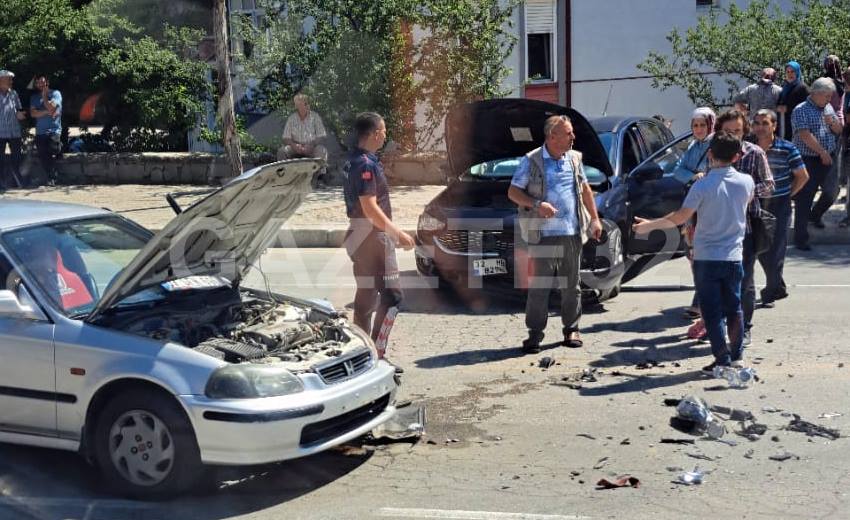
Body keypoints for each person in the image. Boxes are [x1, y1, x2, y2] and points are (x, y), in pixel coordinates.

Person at [633, 132, 754, 373]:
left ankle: (721, 360)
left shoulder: (702, 185)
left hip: (707, 257)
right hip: (733, 256)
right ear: (736, 156)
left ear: (710, 155)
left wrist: (648, 225)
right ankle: (737, 356)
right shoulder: (746, 182)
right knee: (734, 307)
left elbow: (680, 217)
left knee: (711, 312)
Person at [507, 115, 603, 354]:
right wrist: (537, 205)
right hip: (542, 235)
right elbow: (513, 192)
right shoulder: (531, 161)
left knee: (572, 286)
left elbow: (584, 188)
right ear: (552, 137)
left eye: (571, 133)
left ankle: (571, 329)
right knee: (540, 287)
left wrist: (595, 219)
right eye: (568, 133)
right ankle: (535, 334)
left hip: (571, 232)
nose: (573, 137)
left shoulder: (574, 158)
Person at [342, 112, 414, 363]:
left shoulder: (353, 160)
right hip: (373, 239)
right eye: (383, 130)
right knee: (393, 298)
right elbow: (370, 207)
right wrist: (398, 234)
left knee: (366, 295)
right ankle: (377, 355)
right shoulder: (366, 165)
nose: (385, 134)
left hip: (357, 235)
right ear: (374, 134)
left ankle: (360, 355)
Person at [715, 109, 774, 347]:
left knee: (745, 281)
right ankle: (722, 325)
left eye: (737, 131)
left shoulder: (754, 153)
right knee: (719, 282)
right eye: (728, 131)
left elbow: (769, 185)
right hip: (719, 228)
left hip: (747, 227)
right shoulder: (713, 153)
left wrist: (747, 193)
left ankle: (744, 328)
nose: (733, 136)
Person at [751, 109, 809, 307]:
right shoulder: (747, 148)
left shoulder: (787, 148)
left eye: (764, 123)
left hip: (780, 204)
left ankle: (770, 293)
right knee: (760, 248)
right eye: (756, 123)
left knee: (776, 249)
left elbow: (803, 176)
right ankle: (779, 286)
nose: (760, 127)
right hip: (756, 204)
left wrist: (788, 194)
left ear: (774, 125)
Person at [676, 107, 716, 327]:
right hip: (693, 208)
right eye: (695, 125)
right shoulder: (693, 146)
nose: (699, 129)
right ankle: (700, 298)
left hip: (710, 207)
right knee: (692, 252)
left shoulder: (716, 144)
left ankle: (701, 302)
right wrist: (693, 175)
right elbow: (678, 171)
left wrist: (704, 176)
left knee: (705, 254)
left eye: (702, 125)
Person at [792, 77, 844, 244]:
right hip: (808, 158)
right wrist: (821, 152)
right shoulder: (801, 110)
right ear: (816, 93)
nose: (829, 100)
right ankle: (801, 239)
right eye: (827, 96)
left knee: (832, 192)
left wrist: (833, 122)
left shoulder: (827, 107)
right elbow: (804, 135)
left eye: (830, 96)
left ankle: (815, 216)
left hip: (829, 156)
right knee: (805, 197)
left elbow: (838, 130)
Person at [278, 94, 328, 183]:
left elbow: (322, 135)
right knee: (282, 151)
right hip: (295, 146)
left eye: (306, 103)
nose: (306, 105)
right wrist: (294, 145)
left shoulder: (315, 117)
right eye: (302, 104)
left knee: (321, 150)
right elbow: (285, 138)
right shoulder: (291, 118)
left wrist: (312, 145)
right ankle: (285, 178)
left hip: (311, 146)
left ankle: (319, 177)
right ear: (297, 106)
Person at [29, 74, 62, 186]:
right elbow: (33, 113)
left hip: (54, 130)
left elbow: (51, 107)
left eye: (42, 81)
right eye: (38, 82)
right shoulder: (34, 97)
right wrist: (47, 112)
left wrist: (44, 97)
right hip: (40, 132)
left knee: (53, 149)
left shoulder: (56, 93)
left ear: (47, 82)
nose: (41, 84)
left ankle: (59, 147)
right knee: (43, 155)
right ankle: (51, 178)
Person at [0, 70, 25, 190]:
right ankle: (1, 182)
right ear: (1, 80)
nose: (11, 81)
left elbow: (19, 109)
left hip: (14, 131)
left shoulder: (14, 93)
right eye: (9, 79)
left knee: (16, 157)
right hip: (0, 132)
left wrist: (20, 114)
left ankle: (16, 180)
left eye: (11, 79)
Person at [777, 61, 809, 141]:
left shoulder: (802, 88)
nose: (790, 74)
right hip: (784, 123)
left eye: (792, 72)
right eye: (787, 72)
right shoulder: (785, 86)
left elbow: (806, 106)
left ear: (797, 72)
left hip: (796, 125)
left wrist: (788, 109)